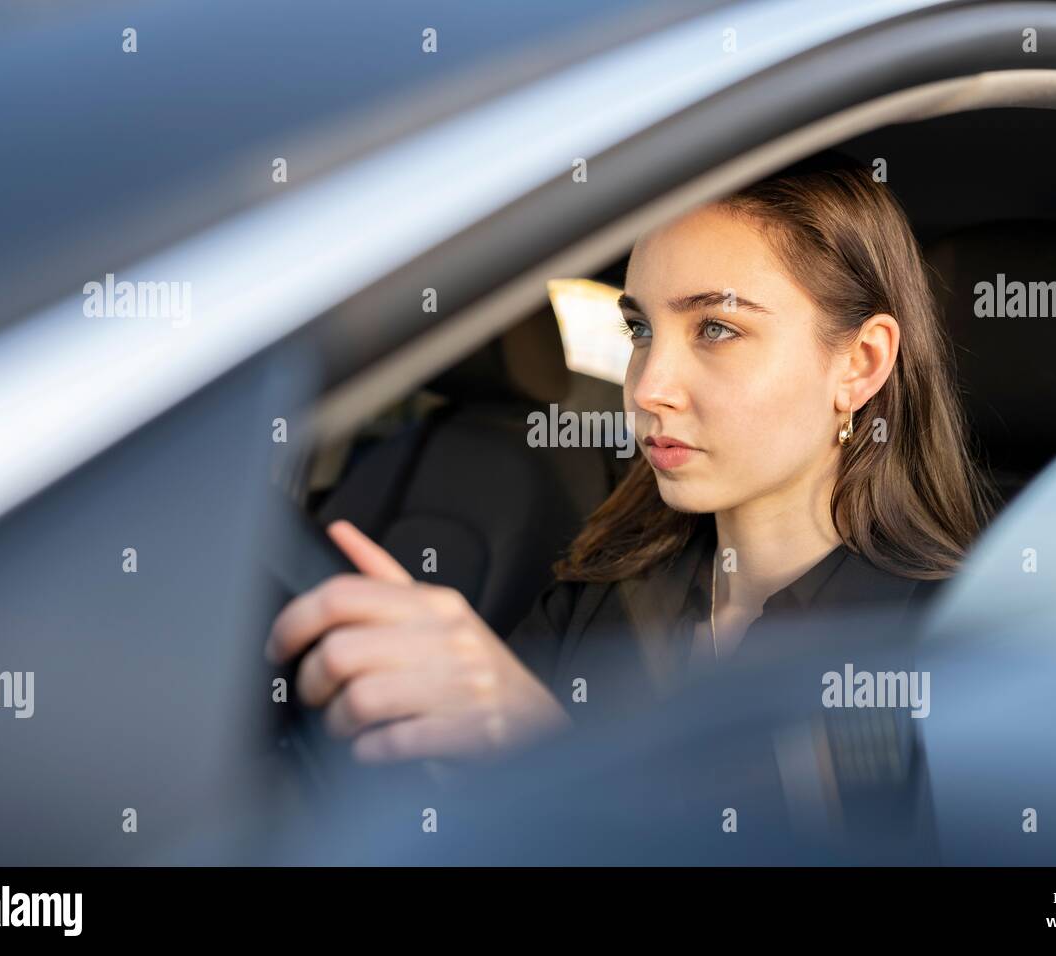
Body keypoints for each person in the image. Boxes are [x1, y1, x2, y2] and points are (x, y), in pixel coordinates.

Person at [264, 156, 993, 766]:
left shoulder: (957, 648)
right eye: (641, 330)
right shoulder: (603, 594)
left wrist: (539, 744)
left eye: (716, 328)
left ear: (860, 366)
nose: (647, 388)